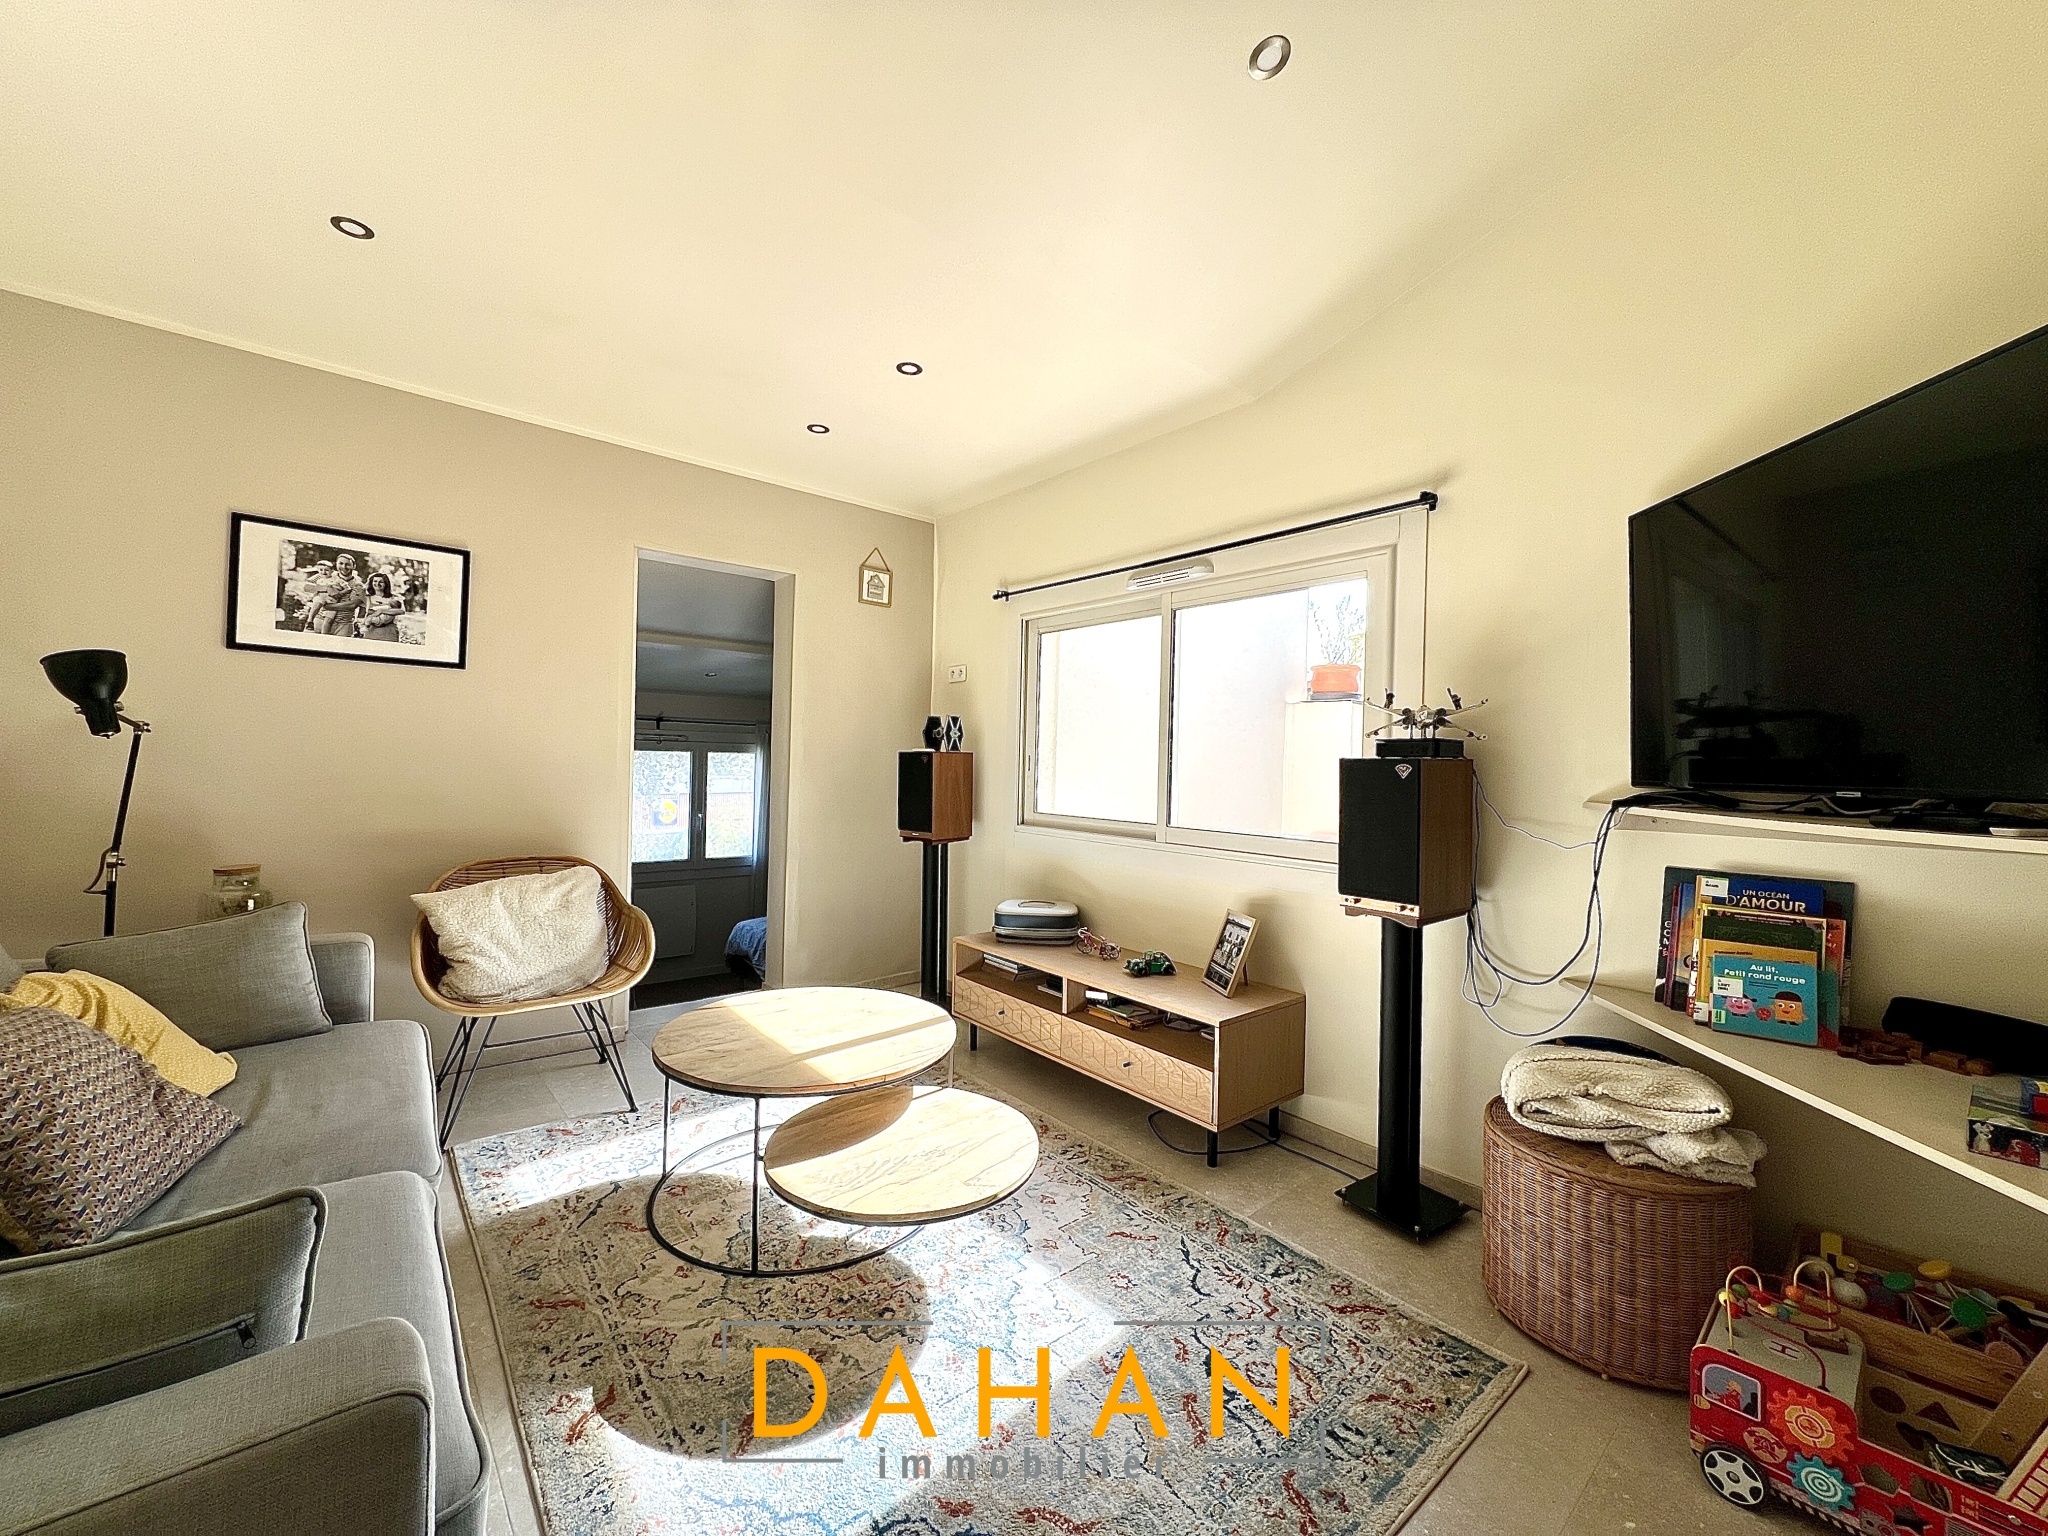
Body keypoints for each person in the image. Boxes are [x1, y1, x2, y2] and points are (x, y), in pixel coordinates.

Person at [308, 552, 366, 636]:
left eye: (347, 564)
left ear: (354, 566)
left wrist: (328, 606)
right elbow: (308, 587)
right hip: (320, 619)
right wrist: (326, 589)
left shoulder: (358, 585)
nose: (344, 567)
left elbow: (352, 605)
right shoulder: (326, 574)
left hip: (343, 624)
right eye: (341, 563)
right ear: (336, 564)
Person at [358, 571, 404, 642]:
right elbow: (360, 616)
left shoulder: (394, 597)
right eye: (375, 581)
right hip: (371, 633)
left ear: (386, 584)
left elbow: (402, 611)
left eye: (381, 582)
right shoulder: (367, 598)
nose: (377, 584)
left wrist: (381, 611)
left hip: (389, 634)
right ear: (371, 583)